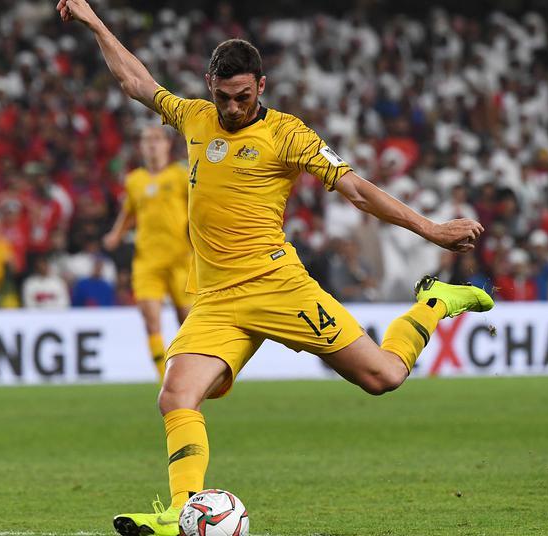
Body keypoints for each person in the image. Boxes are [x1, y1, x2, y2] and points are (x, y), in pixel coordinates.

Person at [57, 2, 494, 535]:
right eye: (223, 96)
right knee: (175, 395)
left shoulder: (289, 134)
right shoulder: (195, 117)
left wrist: (431, 229)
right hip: (217, 299)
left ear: (261, 86)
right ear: (209, 85)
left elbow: (356, 190)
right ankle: (180, 512)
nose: (233, 107)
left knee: (383, 377)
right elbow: (136, 82)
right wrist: (95, 22)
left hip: (278, 287)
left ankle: (435, 302)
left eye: (243, 96)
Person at [103, 125, 193, 379]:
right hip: (147, 261)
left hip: (180, 258)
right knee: (151, 321)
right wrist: (116, 234)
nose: (151, 144)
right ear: (141, 147)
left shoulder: (180, 175)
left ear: (167, 144)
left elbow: (198, 208)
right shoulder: (135, 180)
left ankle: (191, 375)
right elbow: (129, 212)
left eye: (156, 139)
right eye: (146, 140)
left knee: (187, 321)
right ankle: (166, 380)